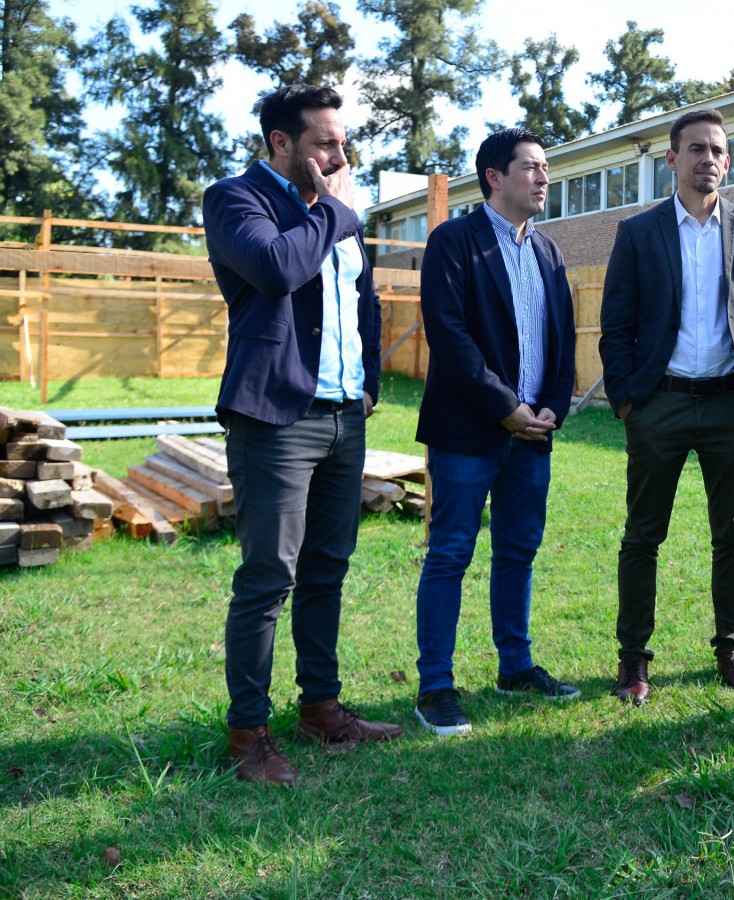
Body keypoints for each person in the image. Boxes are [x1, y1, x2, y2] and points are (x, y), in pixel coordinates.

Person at [203, 84, 400, 786]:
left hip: (345, 415)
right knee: (267, 577)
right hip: (276, 418)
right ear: (280, 143)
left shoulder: (335, 213)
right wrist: (331, 209)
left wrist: (370, 381)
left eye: (341, 143)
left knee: (327, 568)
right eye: (323, 142)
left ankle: (321, 708)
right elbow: (277, 269)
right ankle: (247, 734)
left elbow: (361, 302)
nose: (337, 156)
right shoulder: (235, 199)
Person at [599, 108, 734, 704]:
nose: (709, 159)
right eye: (697, 149)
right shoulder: (639, 232)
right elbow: (616, 326)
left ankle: (730, 649)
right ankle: (633, 661)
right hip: (660, 406)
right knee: (642, 536)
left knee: (733, 537)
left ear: (728, 161)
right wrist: (629, 401)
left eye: (718, 151)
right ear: (672, 160)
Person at [411, 128, 580, 737]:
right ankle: (435, 686)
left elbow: (563, 339)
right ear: (494, 177)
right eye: (531, 167)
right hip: (467, 433)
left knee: (518, 551)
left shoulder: (550, 252)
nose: (543, 178)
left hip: (534, 433)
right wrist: (505, 406)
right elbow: (450, 338)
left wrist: (552, 407)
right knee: (451, 553)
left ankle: (515, 666)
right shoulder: (452, 242)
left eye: (545, 168)